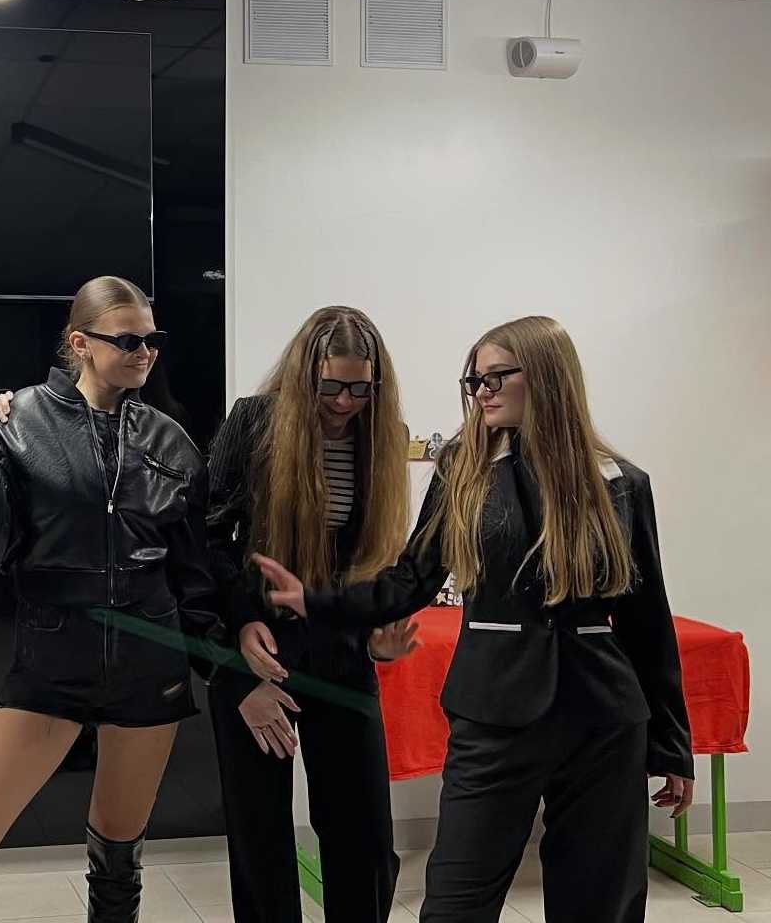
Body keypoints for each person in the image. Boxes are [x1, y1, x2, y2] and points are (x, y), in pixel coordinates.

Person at [258, 315, 694, 923]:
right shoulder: (464, 468)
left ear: (545, 376)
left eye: (495, 377)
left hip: (605, 718)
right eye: (474, 380)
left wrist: (672, 745)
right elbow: (411, 578)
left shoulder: (621, 482)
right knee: (455, 904)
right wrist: (319, 602)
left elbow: (648, 620)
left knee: (602, 905)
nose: (481, 392)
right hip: (493, 711)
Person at [0, 275, 221, 923]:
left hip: (148, 659)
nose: (145, 352)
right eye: (129, 340)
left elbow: (195, 571)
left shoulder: (169, 438)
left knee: (117, 865)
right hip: (51, 662)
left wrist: (228, 667)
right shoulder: (18, 418)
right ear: (80, 343)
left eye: (153, 340)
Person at [206, 307, 418, 923]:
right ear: (305, 376)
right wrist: (236, 637)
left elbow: (372, 558)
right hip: (258, 650)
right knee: (260, 838)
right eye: (330, 386)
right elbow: (208, 538)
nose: (345, 402)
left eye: (360, 388)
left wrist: (376, 627)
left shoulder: (382, 435)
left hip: (340, 653)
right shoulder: (255, 421)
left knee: (364, 837)